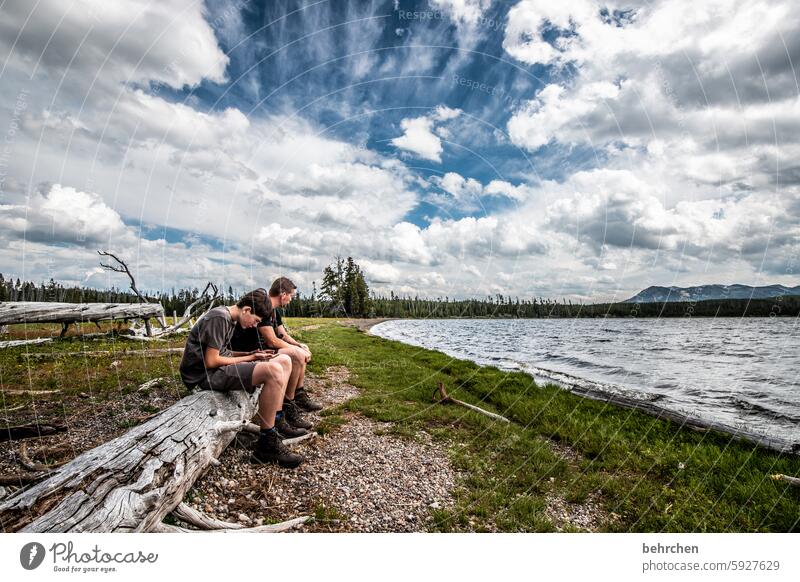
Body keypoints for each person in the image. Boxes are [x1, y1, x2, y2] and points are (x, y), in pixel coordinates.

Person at [178, 289, 305, 469]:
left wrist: (251, 353)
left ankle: (276, 421)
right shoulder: (219, 318)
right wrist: (251, 359)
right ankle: (266, 443)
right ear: (246, 310)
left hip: (215, 370)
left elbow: (223, 352)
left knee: (283, 360)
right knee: (274, 371)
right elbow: (212, 360)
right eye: (256, 320)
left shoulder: (229, 318)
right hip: (202, 376)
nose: (255, 325)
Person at [230, 278, 323, 426]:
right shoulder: (264, 308)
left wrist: (299, 345)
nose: (291, 299)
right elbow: (271, 341)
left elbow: (283, 334)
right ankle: (287, 405)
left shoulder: (275, 310)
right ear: (283, 294)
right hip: (251, 350)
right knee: (297, 355)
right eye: (291, 296)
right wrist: (296, 350)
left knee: (299, 352)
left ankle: (298, 396)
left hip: (263, 350)